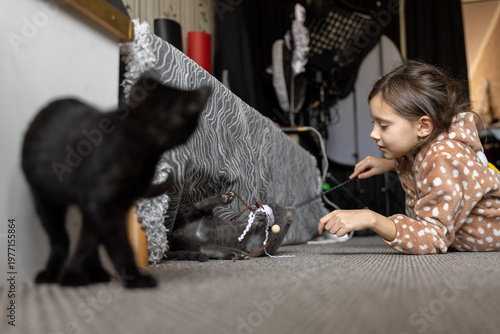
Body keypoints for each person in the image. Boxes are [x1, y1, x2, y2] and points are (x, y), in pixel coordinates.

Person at [318, 60, 500, 254]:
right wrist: (388, 164)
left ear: (423, 127)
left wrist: (371, 219)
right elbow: (423, 163)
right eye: (374, 123)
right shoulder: (429, 148)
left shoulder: (444, 157)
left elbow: (432, 238)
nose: (373, 133)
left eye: (384, 125)